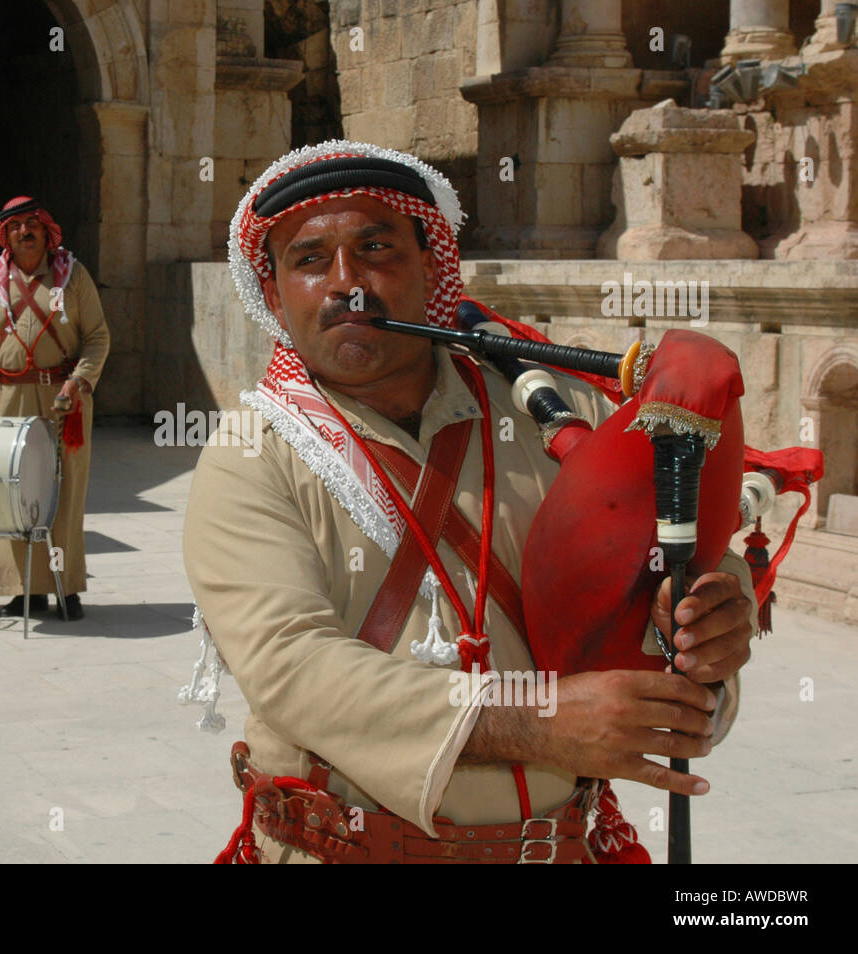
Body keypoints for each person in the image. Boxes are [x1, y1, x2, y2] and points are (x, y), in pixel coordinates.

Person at [182, 141, 757, 864]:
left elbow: (669, 557)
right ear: (274, 297)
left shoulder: (559, 413)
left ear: (433, 267)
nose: (346, 284)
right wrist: (540, 723)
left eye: (376, 247)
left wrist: (711, 619)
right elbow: (294, 667)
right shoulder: (250, 455)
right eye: (308, 260)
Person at [0, 196, 110, 620]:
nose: (24, 231)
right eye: (15, 226)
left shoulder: (72, 277)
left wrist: (79, 381)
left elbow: (97, 337)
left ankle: (65, 588)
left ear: (46, 229)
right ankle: (22, 590)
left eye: (31, 223)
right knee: (13, 490)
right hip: (6, 401)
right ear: (6, 235)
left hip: (63, 401)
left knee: (63, 492)